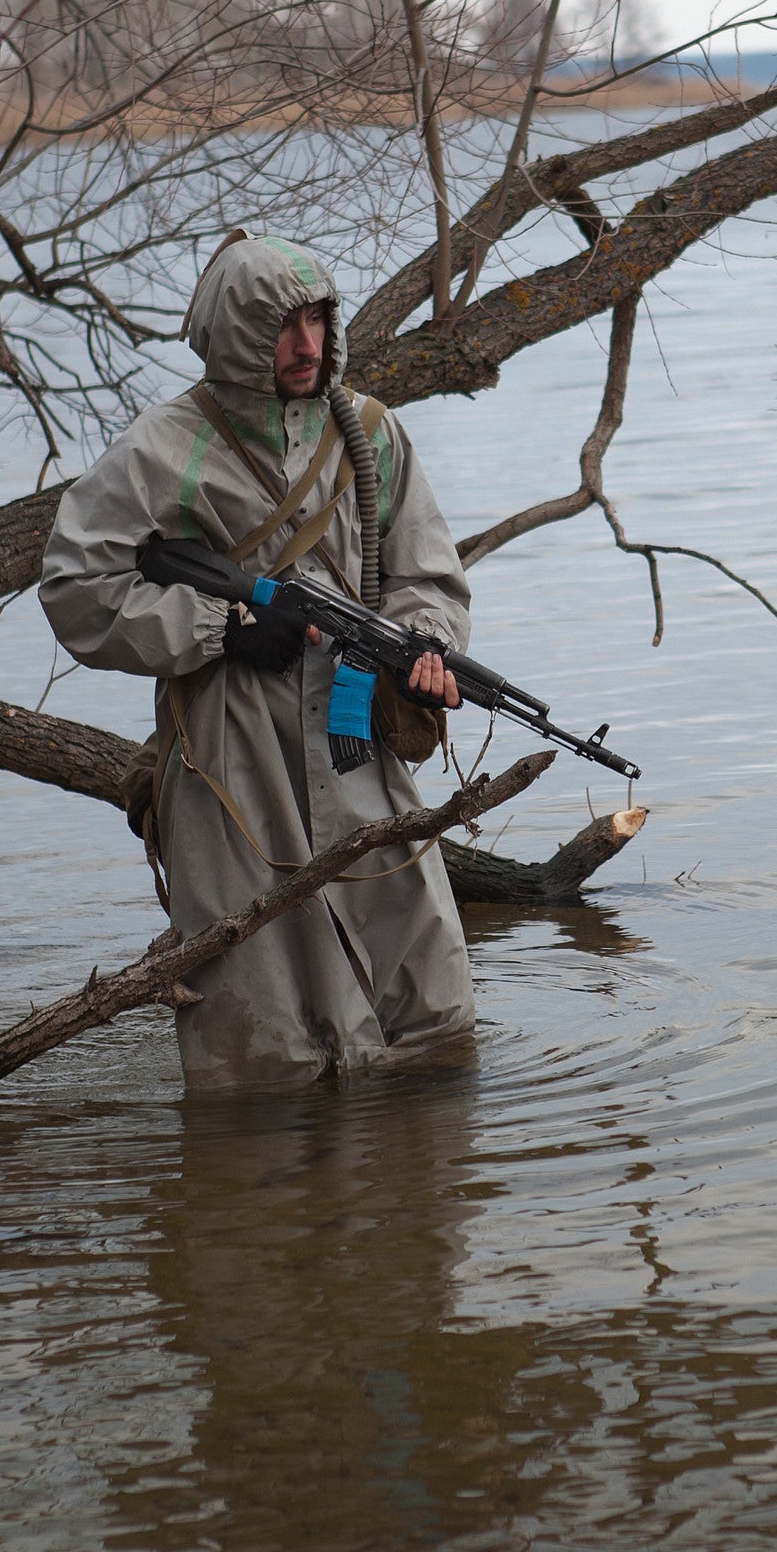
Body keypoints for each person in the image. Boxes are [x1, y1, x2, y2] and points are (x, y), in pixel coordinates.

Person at [39, 231, 473, 1089]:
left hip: (358, 738)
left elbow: (428, 577)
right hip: (228, 758)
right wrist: (217, 626)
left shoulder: (374, 435)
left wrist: (424, 645)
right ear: (237, 332)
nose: (308, 345)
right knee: (262, 1038)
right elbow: (75, 589)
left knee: (429, 1002)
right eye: (283, 325)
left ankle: (415, 1198)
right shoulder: (165, 447)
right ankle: (272, 1187)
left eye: (318, 319)